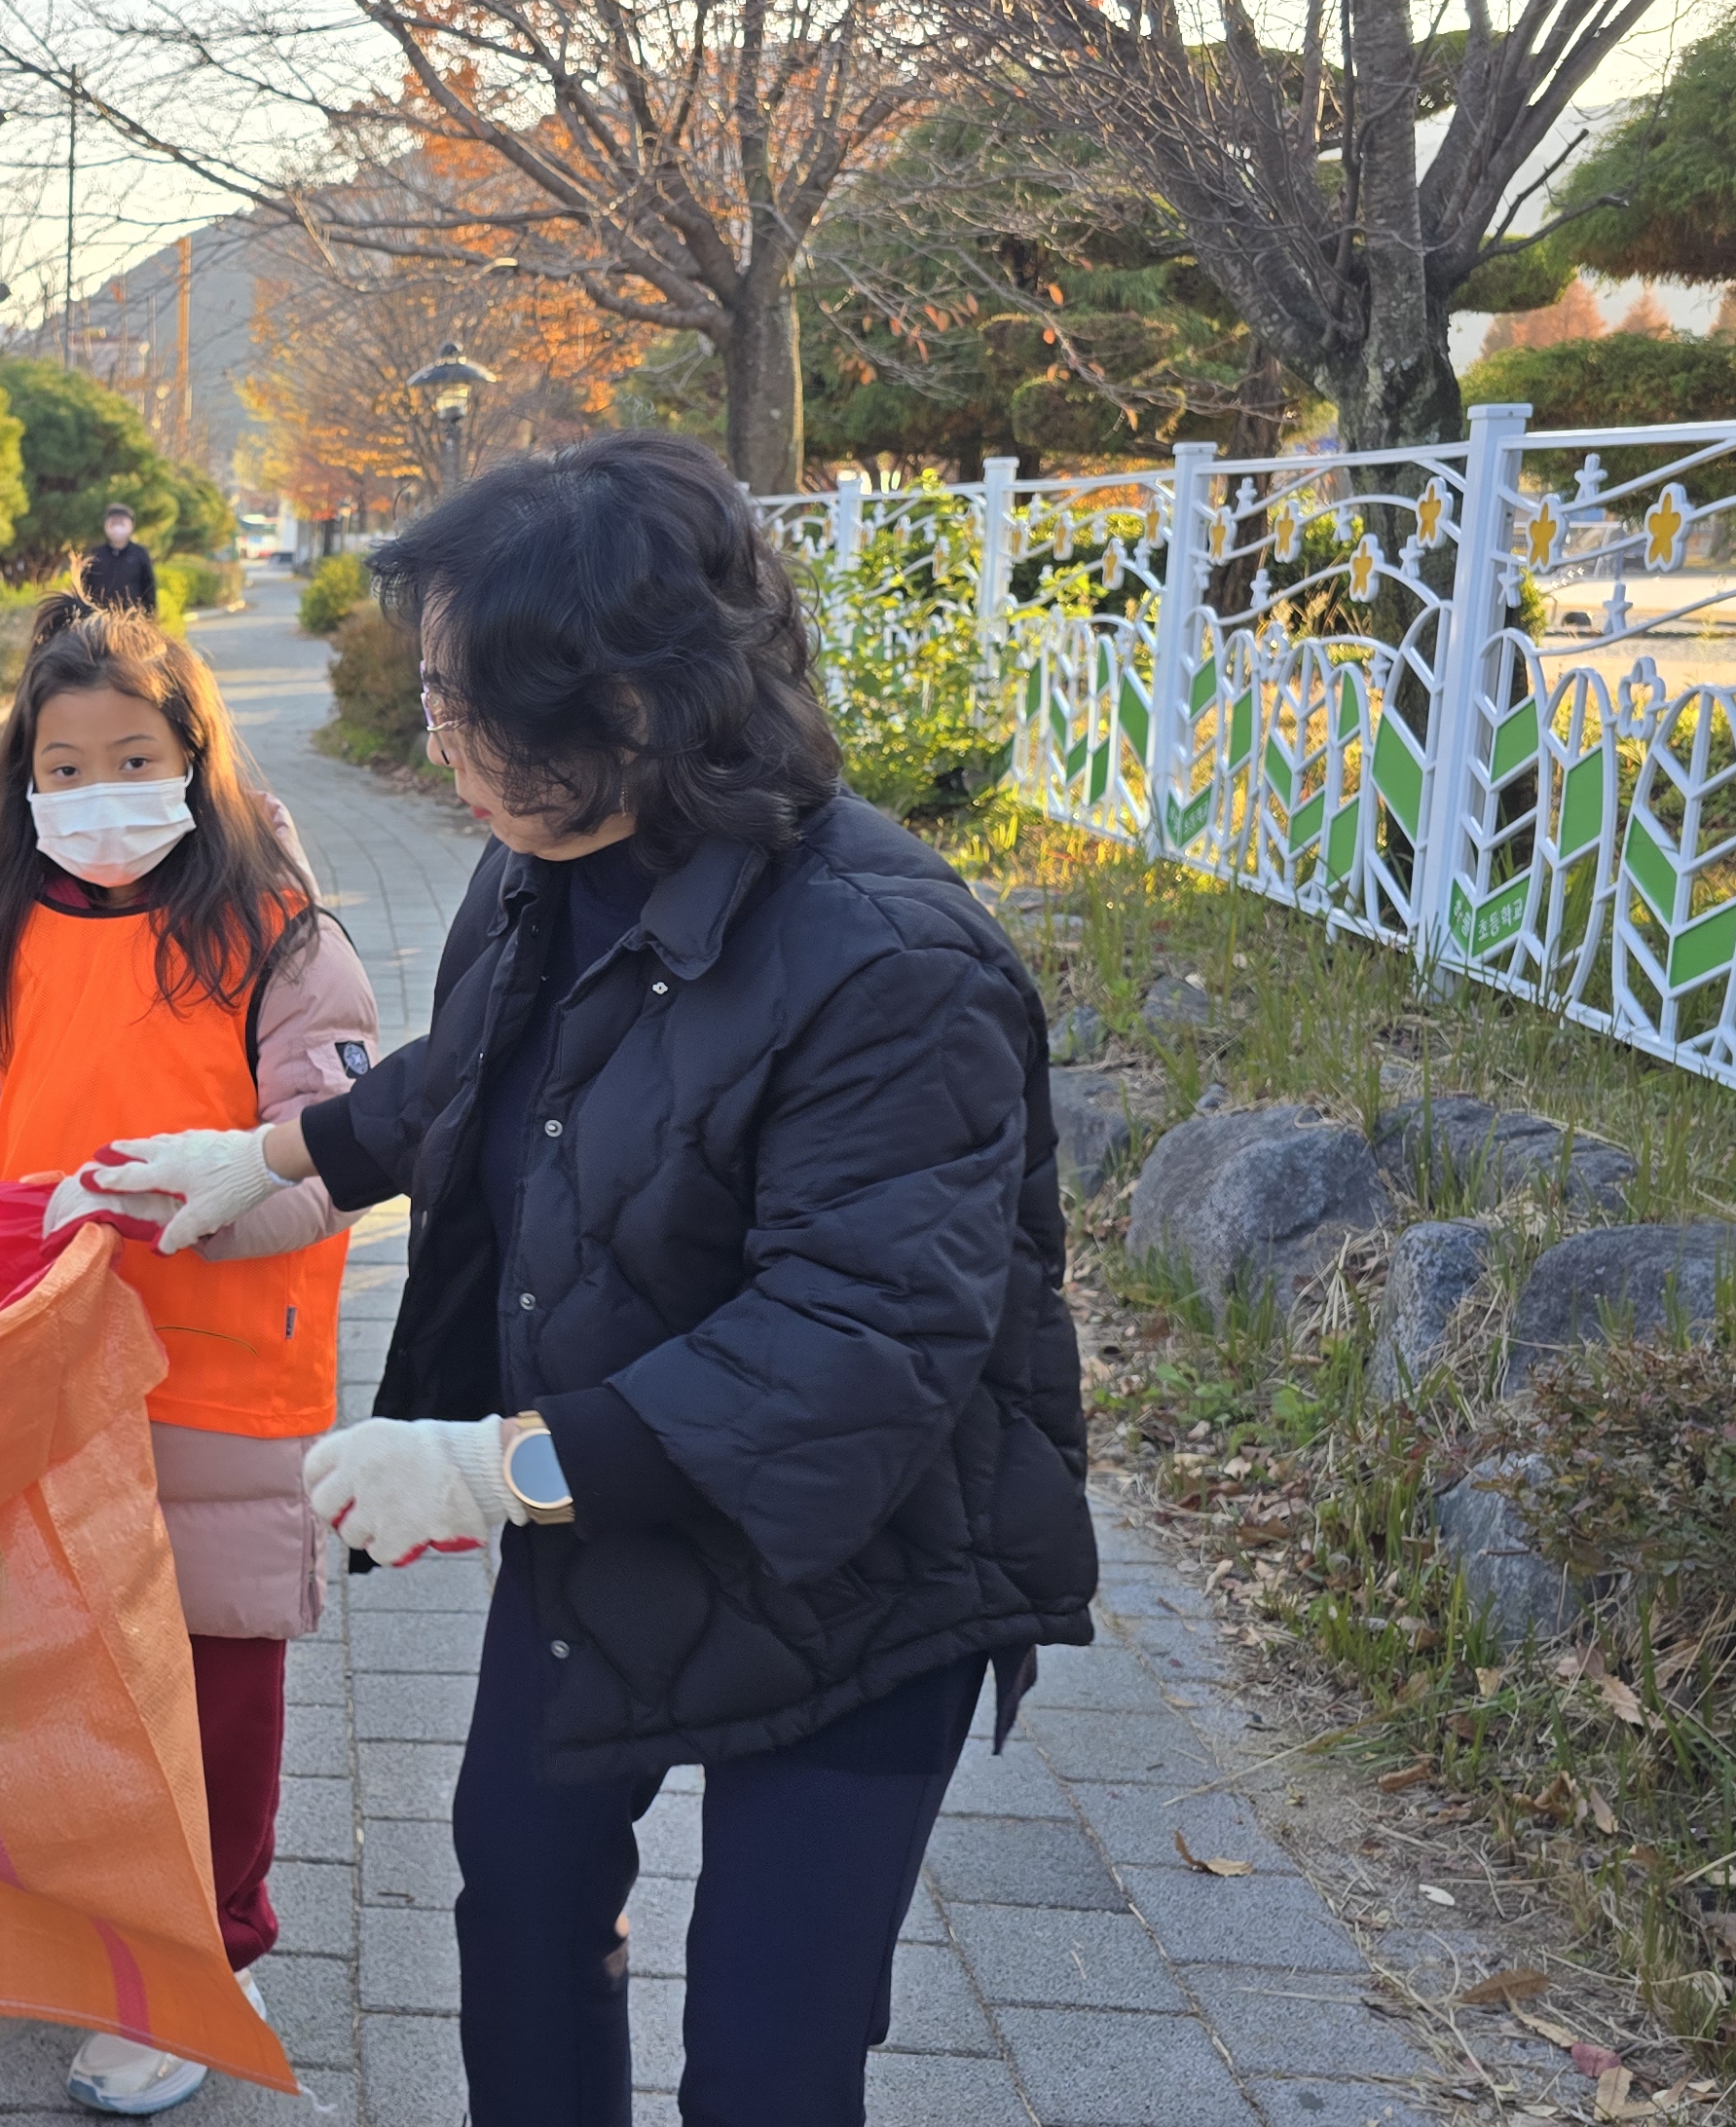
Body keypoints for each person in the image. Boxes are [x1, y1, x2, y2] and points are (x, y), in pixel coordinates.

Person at [88, 433, 1093, 2127]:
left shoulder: (892, 964)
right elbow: (477, 1067)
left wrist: (492, 1466)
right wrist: (273, 1161)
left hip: (863, 1564)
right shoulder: (544, 858)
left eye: (473, 710)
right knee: (521, 1894)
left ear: (634, 708)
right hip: (611, 1512)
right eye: (431, 694)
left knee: (771, 2052)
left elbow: (851, 1344)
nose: (440, 745)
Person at [0, 599, 380, 2116]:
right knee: (55, 1661)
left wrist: (211, 1196)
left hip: (217, 1373)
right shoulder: (12, 921)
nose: (96, 792)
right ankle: (72, 1925)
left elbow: (340, 1164)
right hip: (48, 1361)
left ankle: (211, 1953)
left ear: (195, 757)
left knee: (209, 1678)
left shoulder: (278, 934)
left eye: (134, 756)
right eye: (63, 766)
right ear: (26, 782)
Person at [80, 503, 158, 616]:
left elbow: (149, 590)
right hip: (98, 622)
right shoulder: (94, 554)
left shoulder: (140, 554)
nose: (117, 526)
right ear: (105, 525)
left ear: (131, 525)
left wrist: (150, 617)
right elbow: (83, 587)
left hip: (132, 621)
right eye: (113, 522)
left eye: (121, 522)